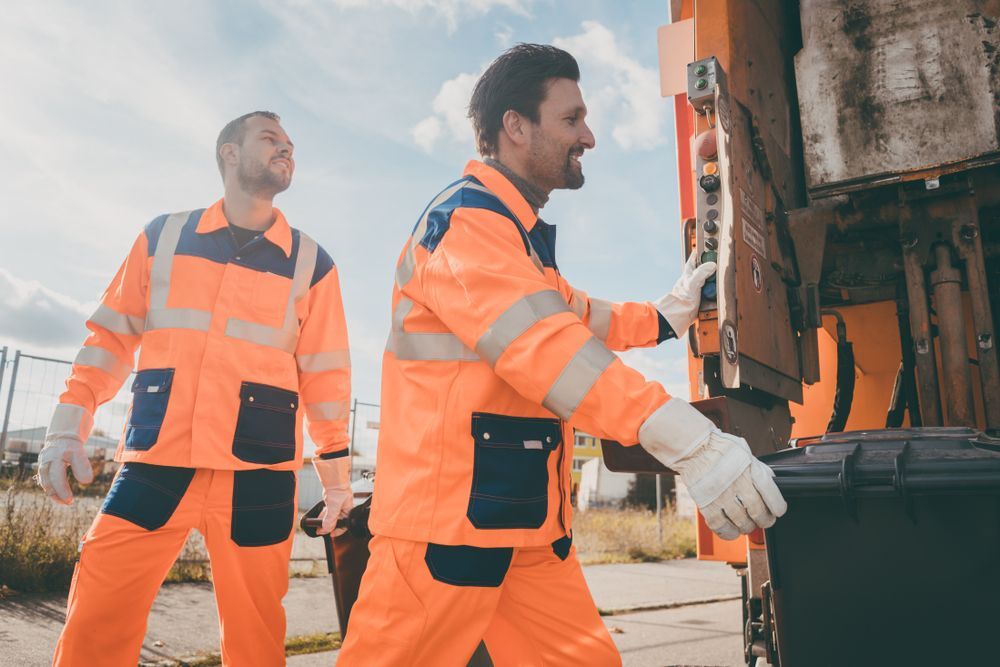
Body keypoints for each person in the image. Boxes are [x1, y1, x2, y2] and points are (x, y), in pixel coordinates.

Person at [337, 44, 787, 666]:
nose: (590, 136)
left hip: (521, 530)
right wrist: (693, 442)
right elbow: (548, 350)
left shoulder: (519, 243)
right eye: (572, 119)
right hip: (442, 536)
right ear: (516, 127)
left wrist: (667, 314)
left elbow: (580, 317)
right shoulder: (466, 226)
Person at [37, 111, 353, 666]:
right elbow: (110, 339)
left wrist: (336, 479)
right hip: (159, 458)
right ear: (229, 154)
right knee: (97, 609)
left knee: (256, 637)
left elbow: (326, 376)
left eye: (291, 145)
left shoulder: (312, 263)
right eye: (270, 139)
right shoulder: (165, 237)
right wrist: (68, 428)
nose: (287, 149)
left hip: (259, 473)